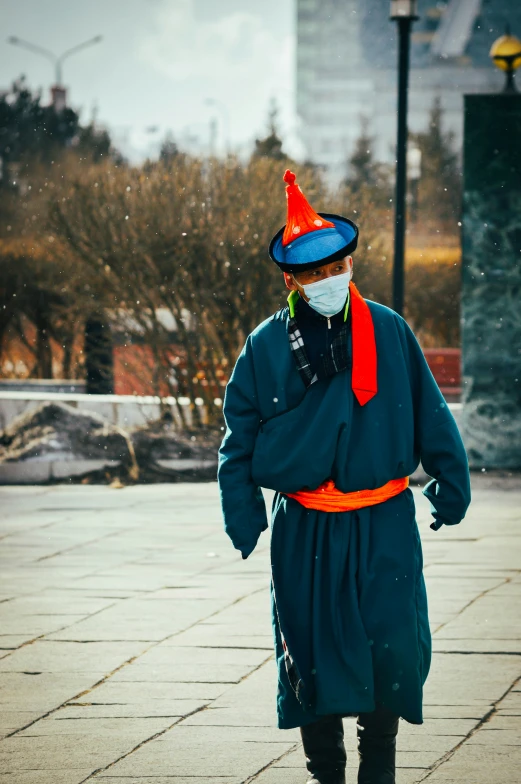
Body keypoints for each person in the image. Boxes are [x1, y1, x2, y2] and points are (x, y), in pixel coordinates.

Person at [217, 170, 471, 784]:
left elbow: (430, 412)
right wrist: (244, 515)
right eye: (311, 272)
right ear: (290, 279)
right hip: (304, 526)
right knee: (310, 650)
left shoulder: (389, 330)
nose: (326, 279)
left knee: (391, 643)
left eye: (336, 266)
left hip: (384, 521)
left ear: (350, 263)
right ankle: (325, 771)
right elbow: (238, 441)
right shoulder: (264, 346)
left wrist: (449, 483)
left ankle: (378, 766)